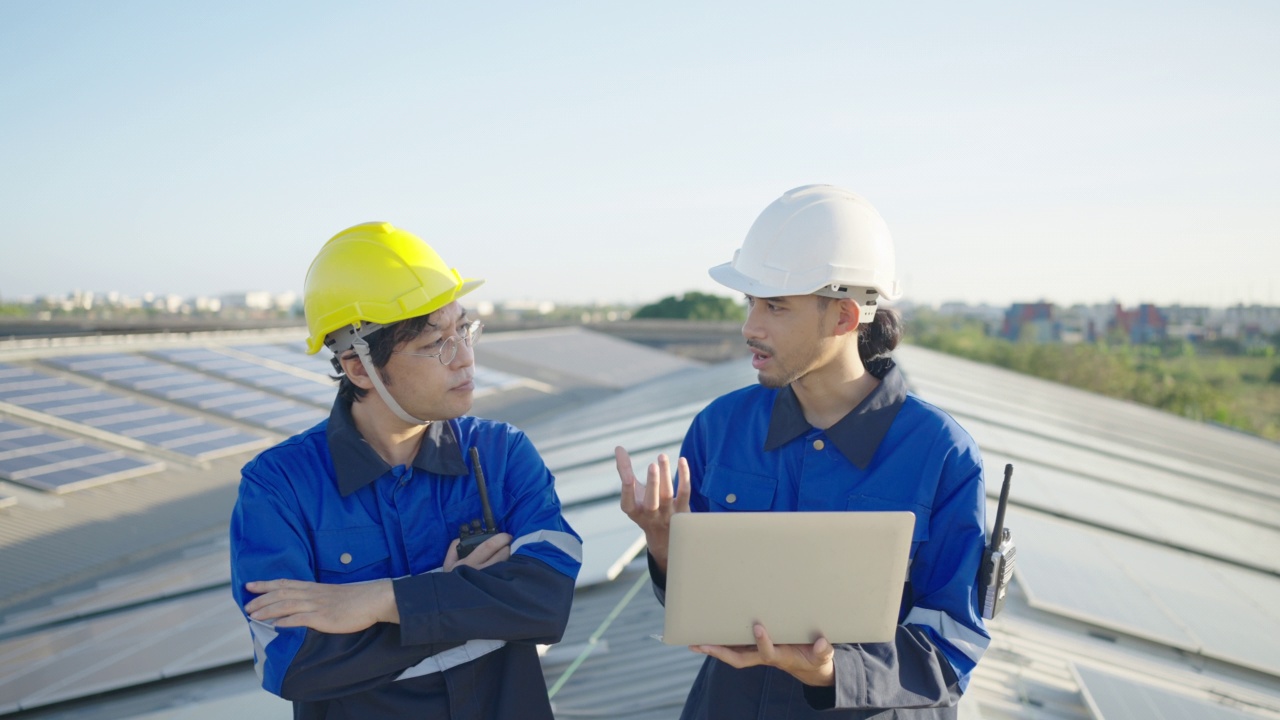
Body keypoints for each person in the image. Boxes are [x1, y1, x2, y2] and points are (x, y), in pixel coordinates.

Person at [617, 185, 989, 719]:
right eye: (750, 303)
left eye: (775, 306)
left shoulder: (940, 454)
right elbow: (700, 604)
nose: (751, 328)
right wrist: (662, 544)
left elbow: (952, 648)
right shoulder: (720, 427)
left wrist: (832, 671)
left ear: (842, 317)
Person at [230, 222, 581, 720]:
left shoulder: (502, 454)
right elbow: (296, 664)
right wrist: (465, 599)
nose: (464, 357)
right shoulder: (279, 487)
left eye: (463, 329)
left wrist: (379, 600)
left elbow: (546, 601)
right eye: (435, 342)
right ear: (358, 367)